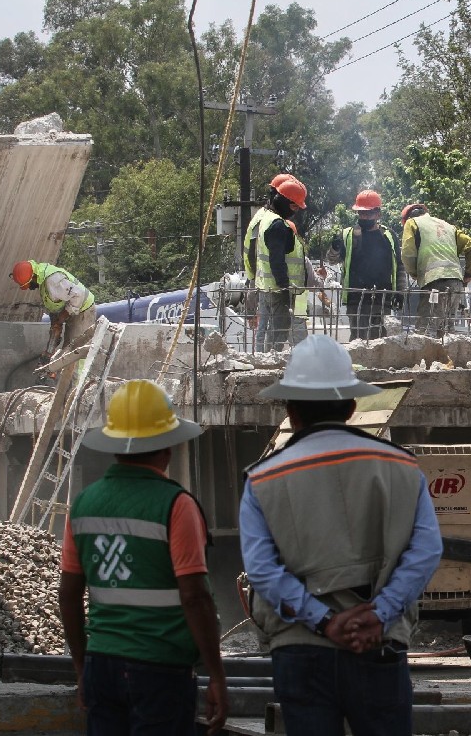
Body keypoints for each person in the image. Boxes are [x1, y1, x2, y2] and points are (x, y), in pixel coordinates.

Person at [239, 335, 443, 736]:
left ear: (290, 411)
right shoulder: (402, 467)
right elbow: (425, 551)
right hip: (377, 644)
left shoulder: (262, 479)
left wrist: (324, 622)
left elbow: (262, 571)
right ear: (352, 407)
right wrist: (378, 614)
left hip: (301, 651)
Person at [58, 380, 227, 734]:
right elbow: (195, 596)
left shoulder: (83, 505)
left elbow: (69, 594)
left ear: (115, 444)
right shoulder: (176, 505)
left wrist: (81, 666)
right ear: (167, 445)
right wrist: (215, 674)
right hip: (161, 667)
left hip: (101, 664)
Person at [328, 189, 408, 340]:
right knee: (358, 339)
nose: (363, 217)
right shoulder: (348, 235)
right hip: (355, 298)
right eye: (361, 213)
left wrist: (400, 292)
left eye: (368, 213)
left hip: (382, 298)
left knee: (379, 340)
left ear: (378, 214)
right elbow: (332, 260)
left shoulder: (389, 236)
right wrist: (335, 248)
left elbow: (399, 266)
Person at [400, 203, 471, 338]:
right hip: (456, 284)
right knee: (447, 333)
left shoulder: (412, 223)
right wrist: (468, 274)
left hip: (435, 284)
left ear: (406, 219)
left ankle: (425, 359)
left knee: (425, 332)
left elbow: (407, 253)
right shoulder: (448, 226)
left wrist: (414, 273)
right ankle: (447, 358)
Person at [251, 177, 309, 351]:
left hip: (285, 290)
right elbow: (276, 260)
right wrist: (284, 285)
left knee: (278, 328)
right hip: (282, 289)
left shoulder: (267, 219)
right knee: (279, 330)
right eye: (294, 206)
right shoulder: (277, 225)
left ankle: (290, 356)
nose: (296, 211)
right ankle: (272, 360)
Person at [10, 260, 96, 358]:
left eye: (29, 284)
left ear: (33, 277)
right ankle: (65, 371)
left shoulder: (52, 280)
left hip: (83, 309)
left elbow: (79, 295)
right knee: (68, 348)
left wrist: (62, 318)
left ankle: (79, 373)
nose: (30, 288)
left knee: (76, 350)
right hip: (73, 310)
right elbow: (54, 305)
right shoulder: (42, 280)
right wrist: (54, 332)